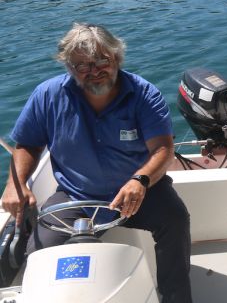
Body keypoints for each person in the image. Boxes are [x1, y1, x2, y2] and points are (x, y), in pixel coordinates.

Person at [0, 23, 192, 303]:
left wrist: (140, 180)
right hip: (74, 195)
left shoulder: (144, 94)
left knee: (175, 219)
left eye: (103, 59)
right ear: (69, 68)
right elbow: (28, 144)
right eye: (82, 65)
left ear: (117, 57)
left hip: (139, 191)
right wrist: (14, 185)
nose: (95, 70)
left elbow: (163, 149)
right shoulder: (47, 95)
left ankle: (176, 297)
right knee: (39, 250)